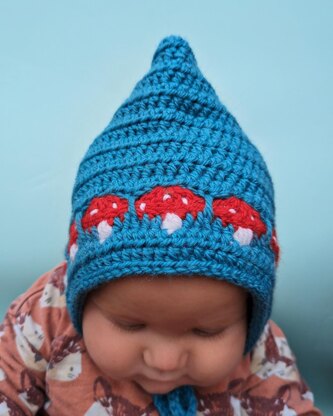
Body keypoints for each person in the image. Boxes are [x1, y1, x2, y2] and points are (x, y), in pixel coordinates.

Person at [0, 35, 322, 415]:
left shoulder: (262, 351)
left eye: (206, 332)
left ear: (252, 313)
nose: (165, 361)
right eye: (130, 325)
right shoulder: (48, 315)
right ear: (81, 291)